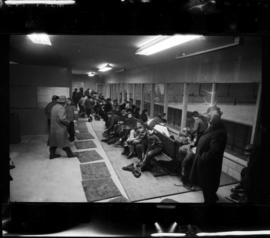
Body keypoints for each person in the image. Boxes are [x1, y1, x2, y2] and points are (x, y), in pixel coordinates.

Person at [189, 106, 227, 203]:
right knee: (207, 190)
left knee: (208, 190)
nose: (208, 117)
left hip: (209, 169)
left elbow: (213, 152)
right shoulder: (213, 128)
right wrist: (198, 150)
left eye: (210, 115)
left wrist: (201, 156)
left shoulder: (219, 132)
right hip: (205, 167)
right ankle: (212, 197)